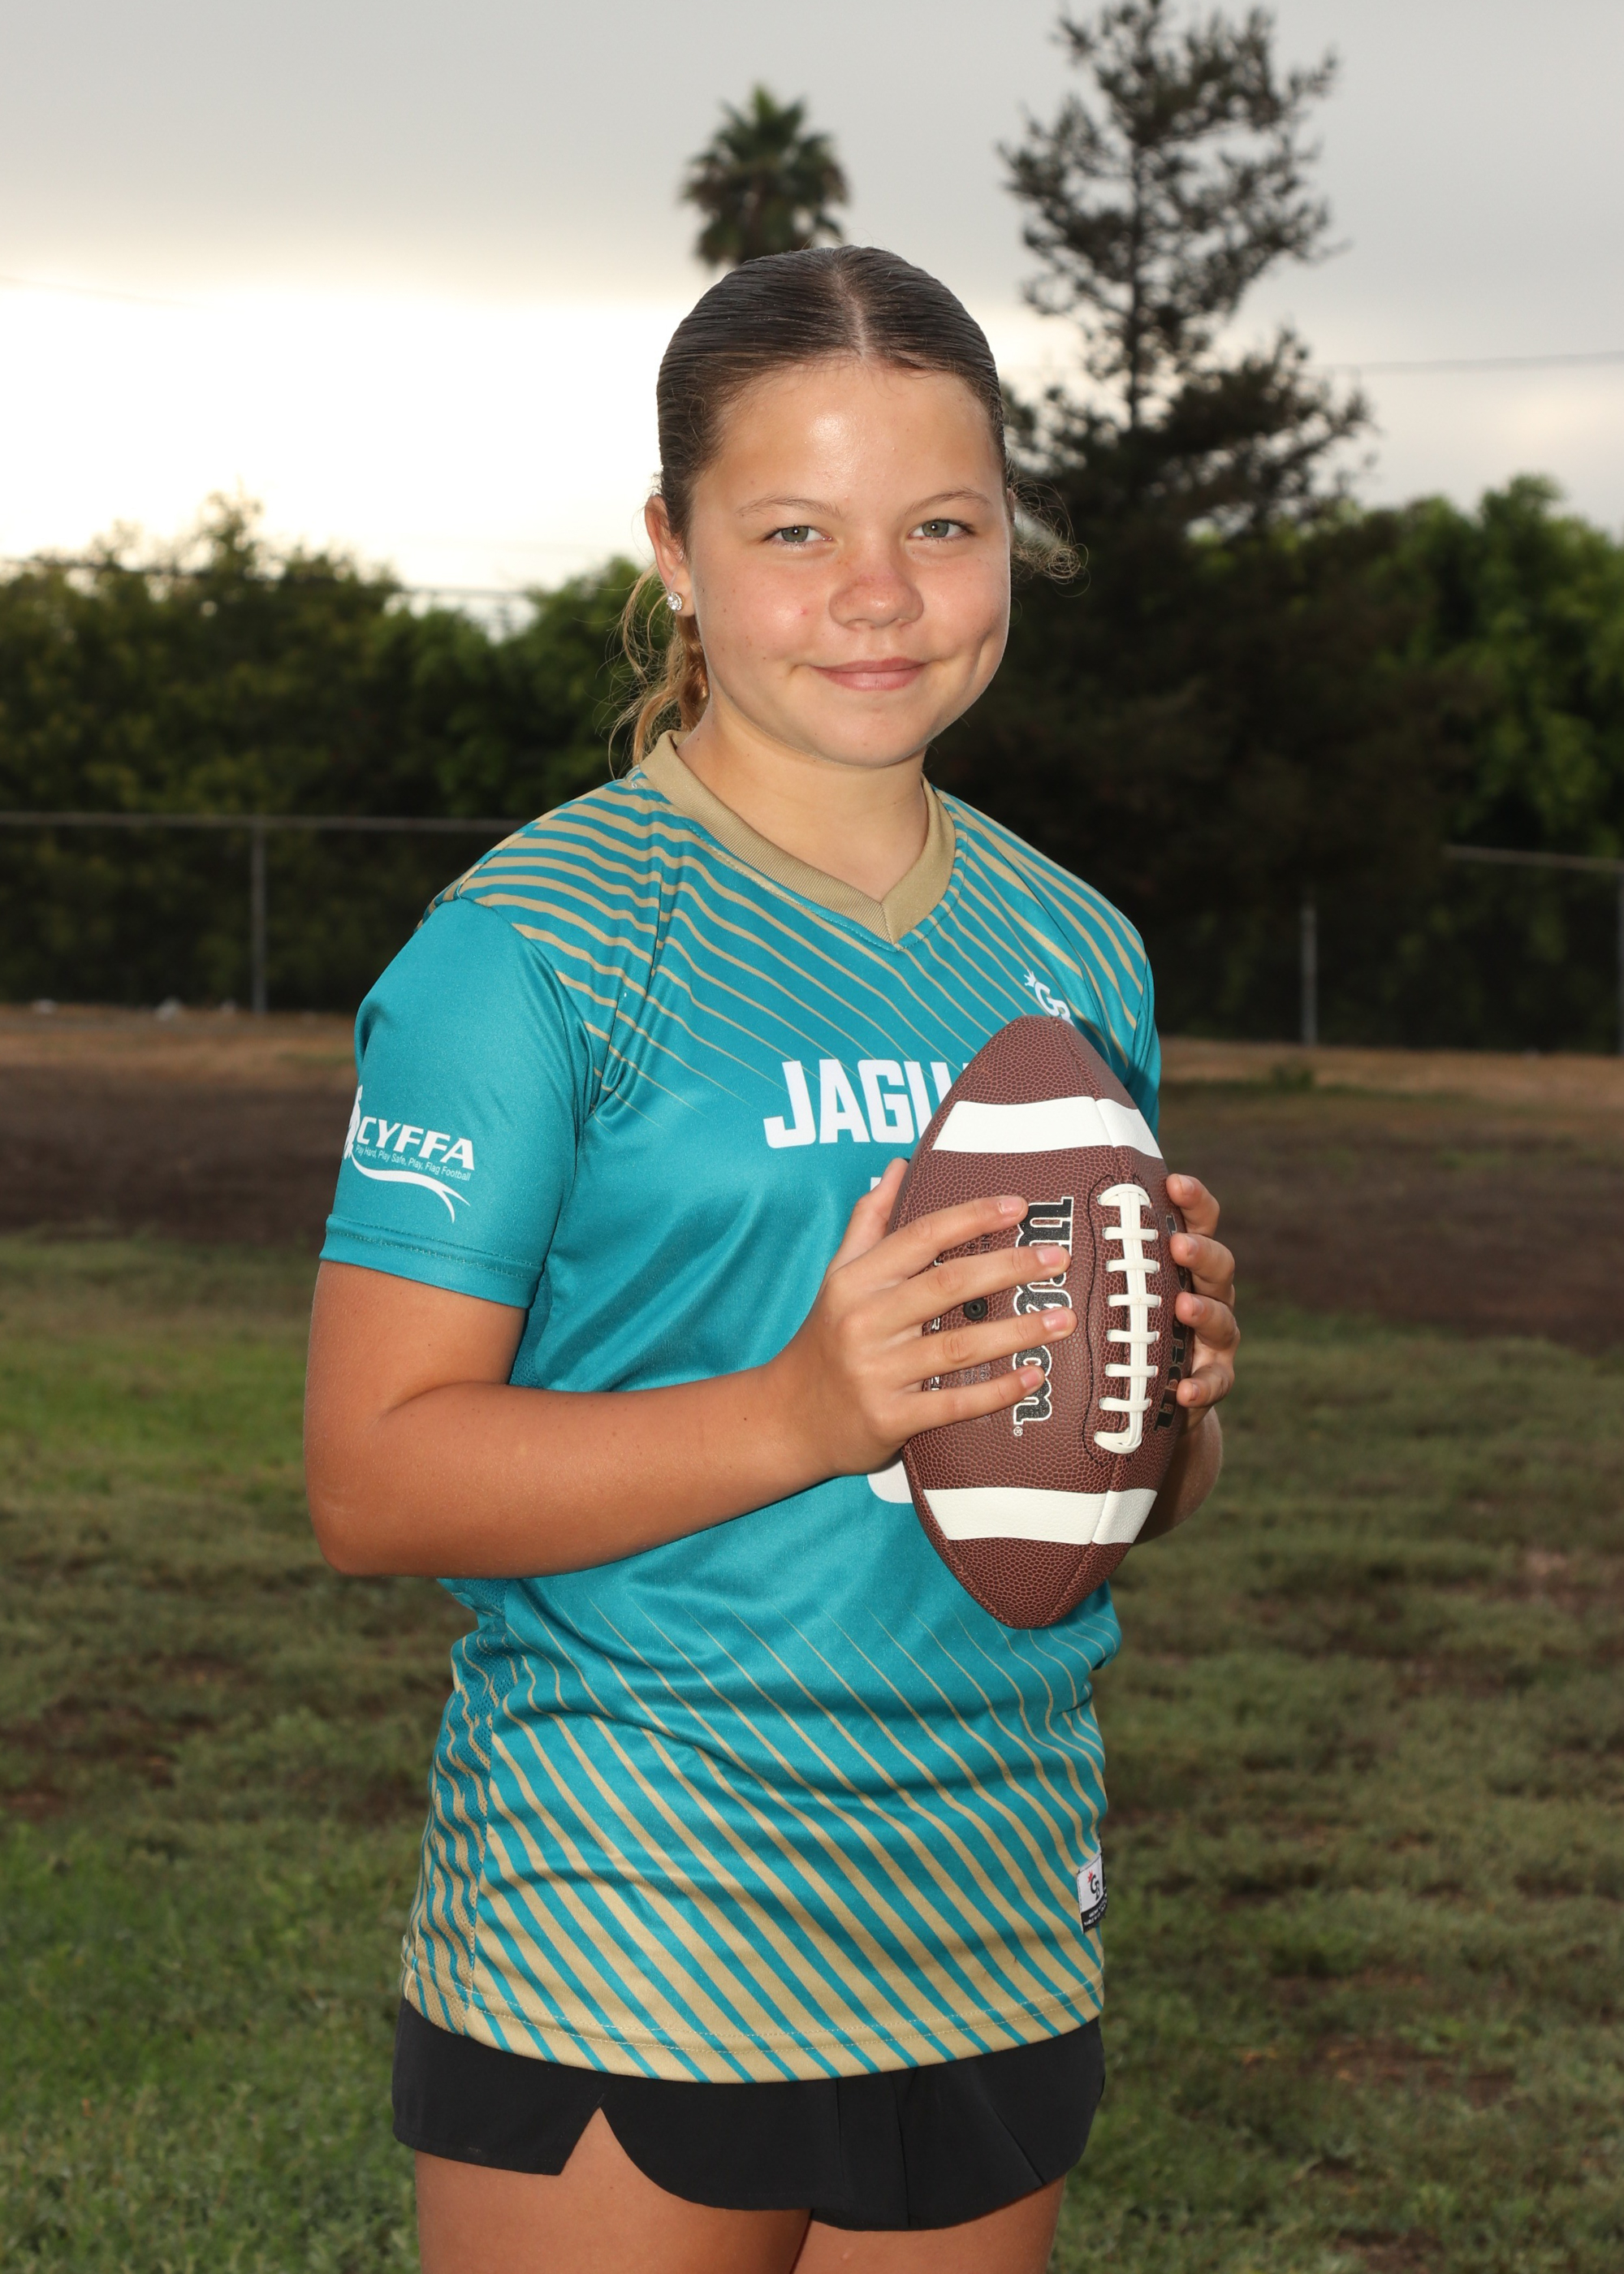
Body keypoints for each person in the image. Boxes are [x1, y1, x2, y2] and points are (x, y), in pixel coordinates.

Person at [304, 244, 1238, 2274]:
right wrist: (804, 1408)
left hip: (992, 1885)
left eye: (941, 527)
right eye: (795, 532)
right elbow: (372, 1476)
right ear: (674, 547)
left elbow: (1092, 1505)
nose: (877, 594)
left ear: (1011, 537)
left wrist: (1162, 1406)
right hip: (634, 1885)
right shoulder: (533, 947)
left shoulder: (1075, 949)